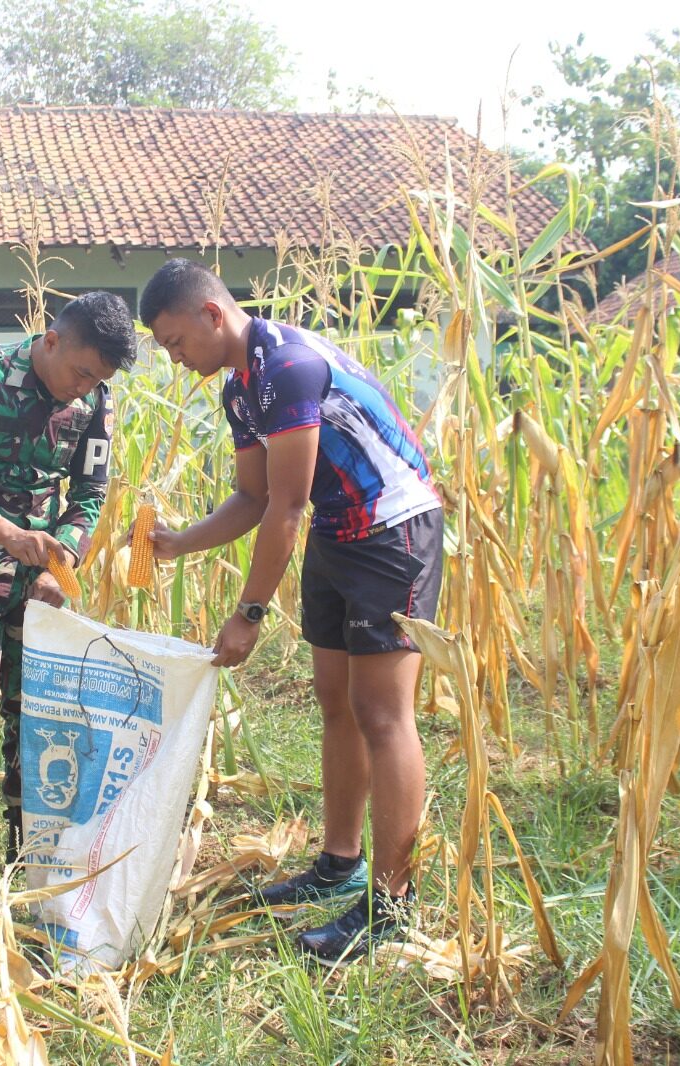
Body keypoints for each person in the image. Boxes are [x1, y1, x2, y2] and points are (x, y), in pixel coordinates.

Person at [138, 260, 443, 961]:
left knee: (382, 713)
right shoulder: (241, 391)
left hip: (392, 530)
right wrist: (177, 544)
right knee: (335, 701)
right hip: (340, 534)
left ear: (214, 315)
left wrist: (249, 611)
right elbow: (251, 499)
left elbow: (287, 505)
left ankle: (394, 903)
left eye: (176, 341)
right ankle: (340, 863)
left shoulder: (290, 369)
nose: (176, 359)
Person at [0, 291, 138, 896]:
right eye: (82, 372)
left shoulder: (96, 401)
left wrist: (59, 559)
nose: (84, 388)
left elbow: (89, 496)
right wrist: (7, 533)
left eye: (99, 380)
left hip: (39, 580)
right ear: (53, 339)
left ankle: (27, 860)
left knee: (36, 712)